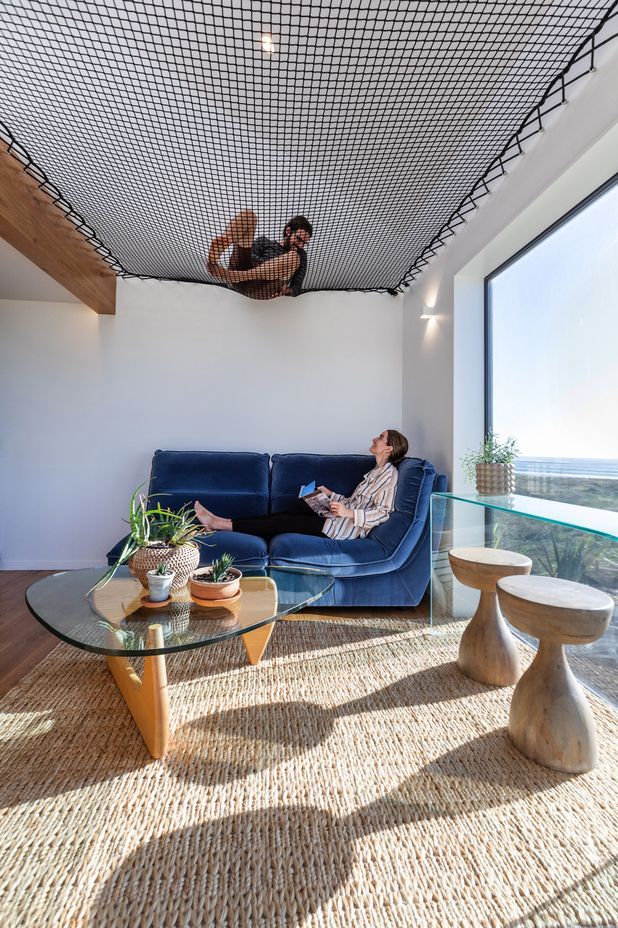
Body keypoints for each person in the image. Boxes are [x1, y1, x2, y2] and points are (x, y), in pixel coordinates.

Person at [195, 429, 409, 542]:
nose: (375, 439)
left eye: (381, 438)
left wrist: (348, 513)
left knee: (282, 520)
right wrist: (331, 495)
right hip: (333, 519)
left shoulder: (390, 477)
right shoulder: (374, 472)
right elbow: (354, 503)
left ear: (389, 449)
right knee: (284, 514)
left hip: (338, 531)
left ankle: (219, 524)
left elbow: (383, 513)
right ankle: (220, 521)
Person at [207, 209, 312, 300]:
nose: (301, 245)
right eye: (299, 239)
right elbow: (250, 256)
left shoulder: (300, 255)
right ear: (288, 231)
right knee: (249, 216)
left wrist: (287, 290)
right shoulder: (264, 241)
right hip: (243, 273)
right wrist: (270, 267)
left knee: (294, 257)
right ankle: (219, 248)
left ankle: (235, 276)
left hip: (264, 289)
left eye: (304, 243)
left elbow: (297, 287)